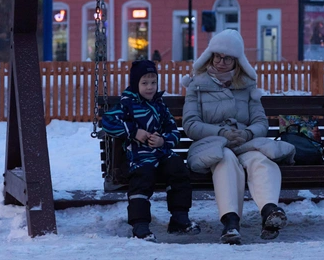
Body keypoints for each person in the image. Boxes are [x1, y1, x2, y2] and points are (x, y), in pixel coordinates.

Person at [182, 29, 295, 244]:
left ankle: (270, 211)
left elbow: (261, 122)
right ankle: (230, 222)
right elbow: (190, 124)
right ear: (210, 56)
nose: (222, 61)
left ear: (237, 61)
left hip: (245, 143)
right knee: (225, 160)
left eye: (228, 58)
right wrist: (221, 132)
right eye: (218, 56)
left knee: (261, 160)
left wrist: (247, 133)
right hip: (211, 145)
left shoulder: (246, 87)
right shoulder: (196, 86)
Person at [102, 60, 200, 242]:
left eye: (153, 82)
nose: (149, 87)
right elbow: (107, 122)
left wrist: (163, 140)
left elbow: (174, 132)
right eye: (144, 83)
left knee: (177, 167)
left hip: (161, 154)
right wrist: (133, 132)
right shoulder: (127, 104)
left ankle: (179, 218)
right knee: (143, 175)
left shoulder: (160, 106)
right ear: (135, 84)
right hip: (139, 157)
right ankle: (140, 225)